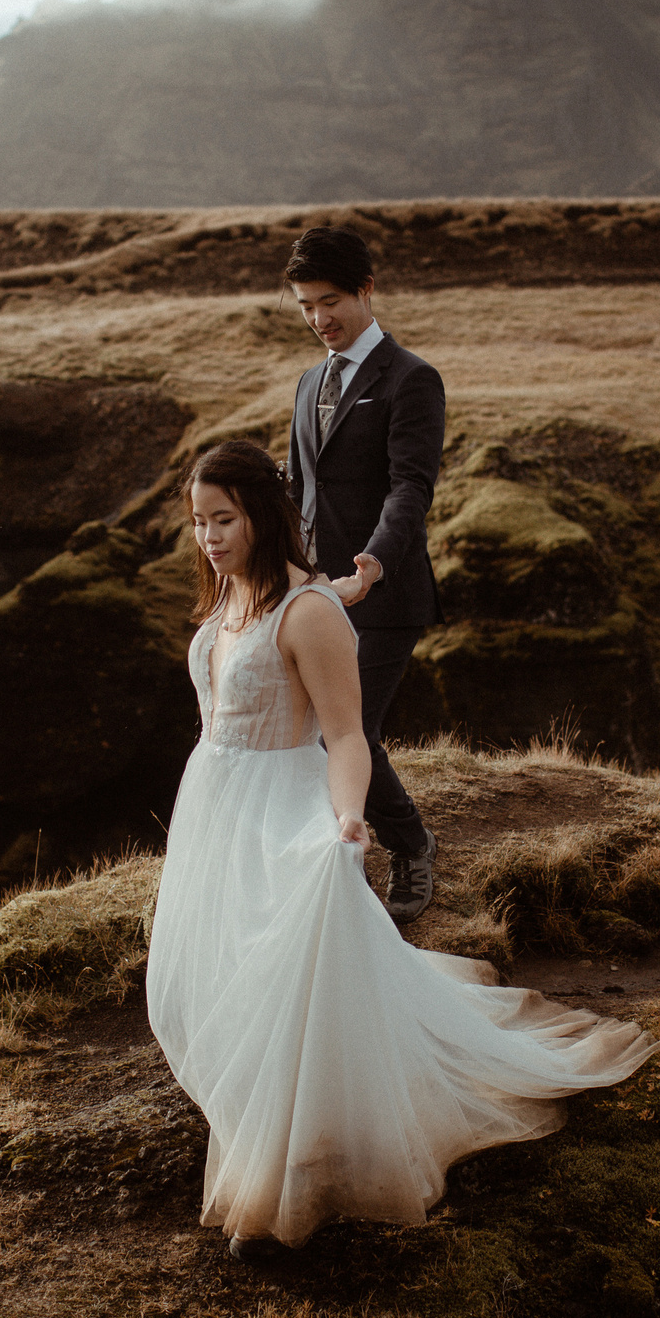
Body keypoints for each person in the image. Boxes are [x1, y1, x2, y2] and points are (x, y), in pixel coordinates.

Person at [146, 439, 659, 1256]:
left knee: (292, 980)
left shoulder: (306, 612)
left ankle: (282, 1173)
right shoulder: (233, 595)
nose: (208, 537)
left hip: (283, 808)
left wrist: (349, 818)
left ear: (262, 515)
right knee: (224, 971)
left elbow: (348, 735)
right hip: (217, 807)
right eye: (199, 522)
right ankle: (257, 1119)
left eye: (224, 519)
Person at [283, 225, 443, 921]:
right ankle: (332, 857)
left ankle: (411, 845)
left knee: (342, 731)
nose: (320, 319)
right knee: (310, 730)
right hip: (317, 595)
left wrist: (374, 559)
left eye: (331, 301)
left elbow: (411, 486)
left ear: (366, 290)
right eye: (306, 306)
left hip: (385, 592)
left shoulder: (412, 379)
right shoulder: (307, 381)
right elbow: (297, 490)